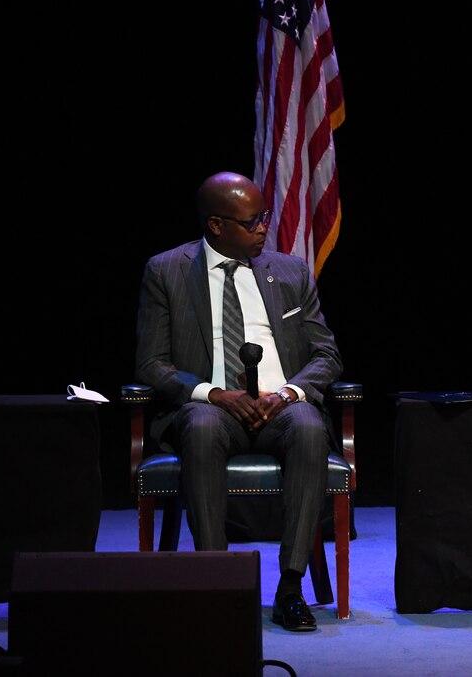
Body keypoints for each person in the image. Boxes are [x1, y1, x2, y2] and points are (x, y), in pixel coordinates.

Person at [135, 171, 343, 632]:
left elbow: (327, 355)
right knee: (202, 425)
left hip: (281, 408)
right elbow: (151, 363)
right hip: (210, 408)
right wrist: (214, 394)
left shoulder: (290, 271)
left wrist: (288, 392)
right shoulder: (166, 271)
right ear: (216, 225)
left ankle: (291, 587)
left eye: (265, 218)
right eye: (252, 222)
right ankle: (217, 582)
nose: (263, 229)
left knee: (310, 426)